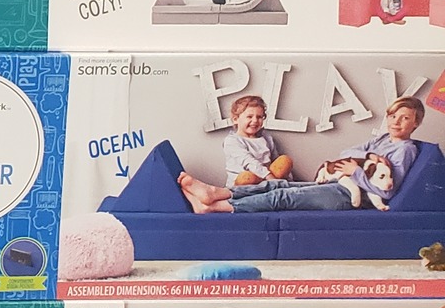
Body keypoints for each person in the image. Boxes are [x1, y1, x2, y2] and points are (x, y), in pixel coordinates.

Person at [176, 95, 427, 214]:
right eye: (393, 116)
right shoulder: (383, 140)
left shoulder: (405, 149)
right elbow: (348, 152)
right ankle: (215, 193)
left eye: (405, 118)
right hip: (339, 184)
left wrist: (357, 171)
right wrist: (371, 158)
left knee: (283, 196)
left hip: (350, 196)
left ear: (415, 123)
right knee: (279, 184)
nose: (396, 122)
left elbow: (387, 192)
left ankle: (215, 207)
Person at [221, 94, 291, 187]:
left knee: (284, 160)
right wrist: (269, 177)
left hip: (268, 180)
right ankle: (265, 187)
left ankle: (277, 186)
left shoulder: (266, 138)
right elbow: (248, 161)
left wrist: (286, 180)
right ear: (235, 119)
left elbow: (275, 160)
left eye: (259, 117)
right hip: (246, 182)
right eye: (249, 117)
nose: (255, 120)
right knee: (246, 177)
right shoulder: (232, 141)